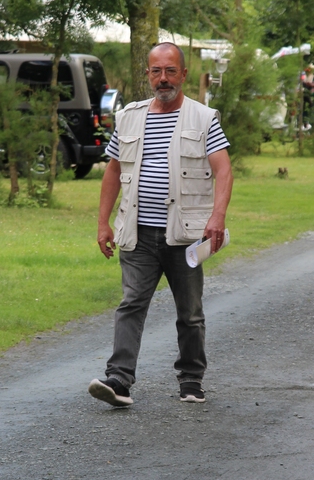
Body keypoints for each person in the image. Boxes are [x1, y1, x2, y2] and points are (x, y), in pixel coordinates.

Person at [88, 42, 233, 407]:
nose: (163, 78)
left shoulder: (204, 117)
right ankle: (119, 380)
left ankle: (191, 379)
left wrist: (217, 216)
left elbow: (224, 170)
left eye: (170, 71)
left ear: (183, 74)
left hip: (185, 236)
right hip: (137, 233)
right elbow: (113, 171)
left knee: (190, 312)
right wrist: (103, 223)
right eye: (156, 71)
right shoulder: (129, 117)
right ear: (148, 74)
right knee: (131, 304)